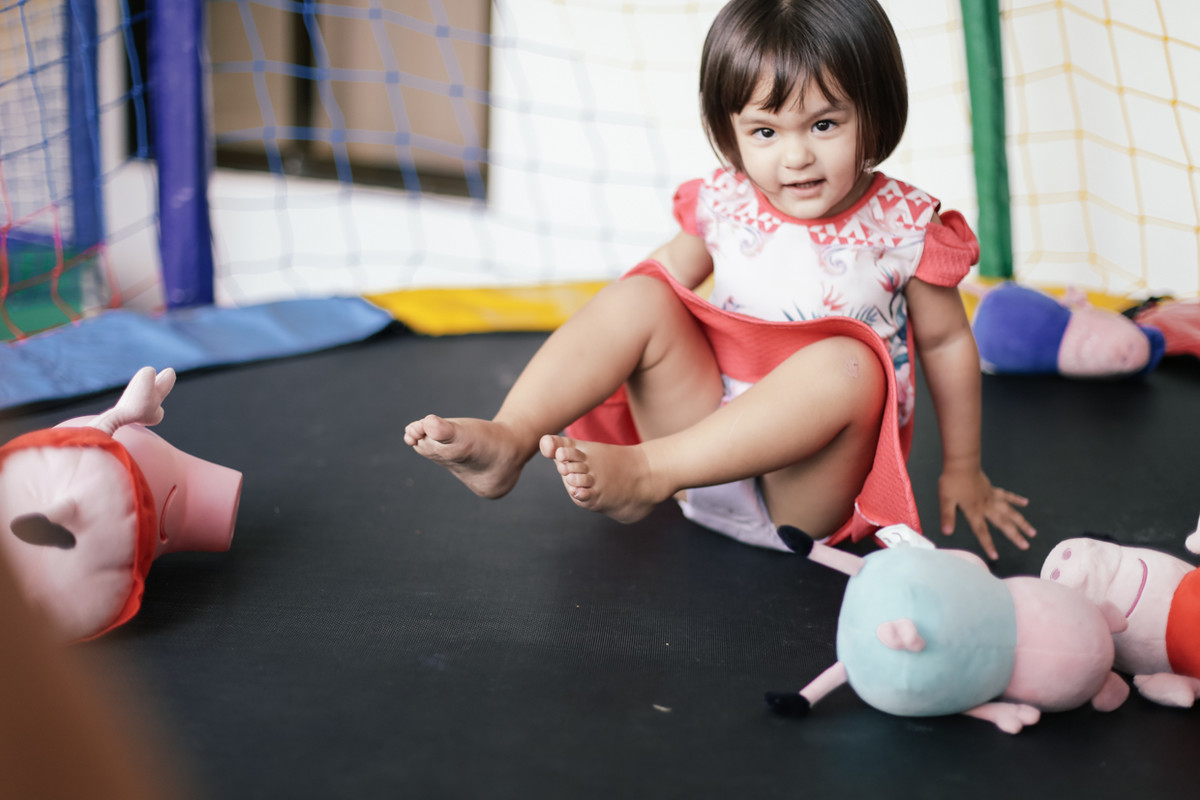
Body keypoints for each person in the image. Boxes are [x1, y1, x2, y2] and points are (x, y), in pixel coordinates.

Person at [405, 0, 1035, 560]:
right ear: (730, 132)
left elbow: (949, 344)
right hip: (697, 451)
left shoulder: (906, 225)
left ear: (874, 112)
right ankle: (509, 439)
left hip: (799, 494)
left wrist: (963, 467)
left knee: (850, 364)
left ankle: (644, 473)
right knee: (644, 289)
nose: (795, 157)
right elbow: (636, 308)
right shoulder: (723, 202)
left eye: (824, 124)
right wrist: (599, 376)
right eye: (765, 131)